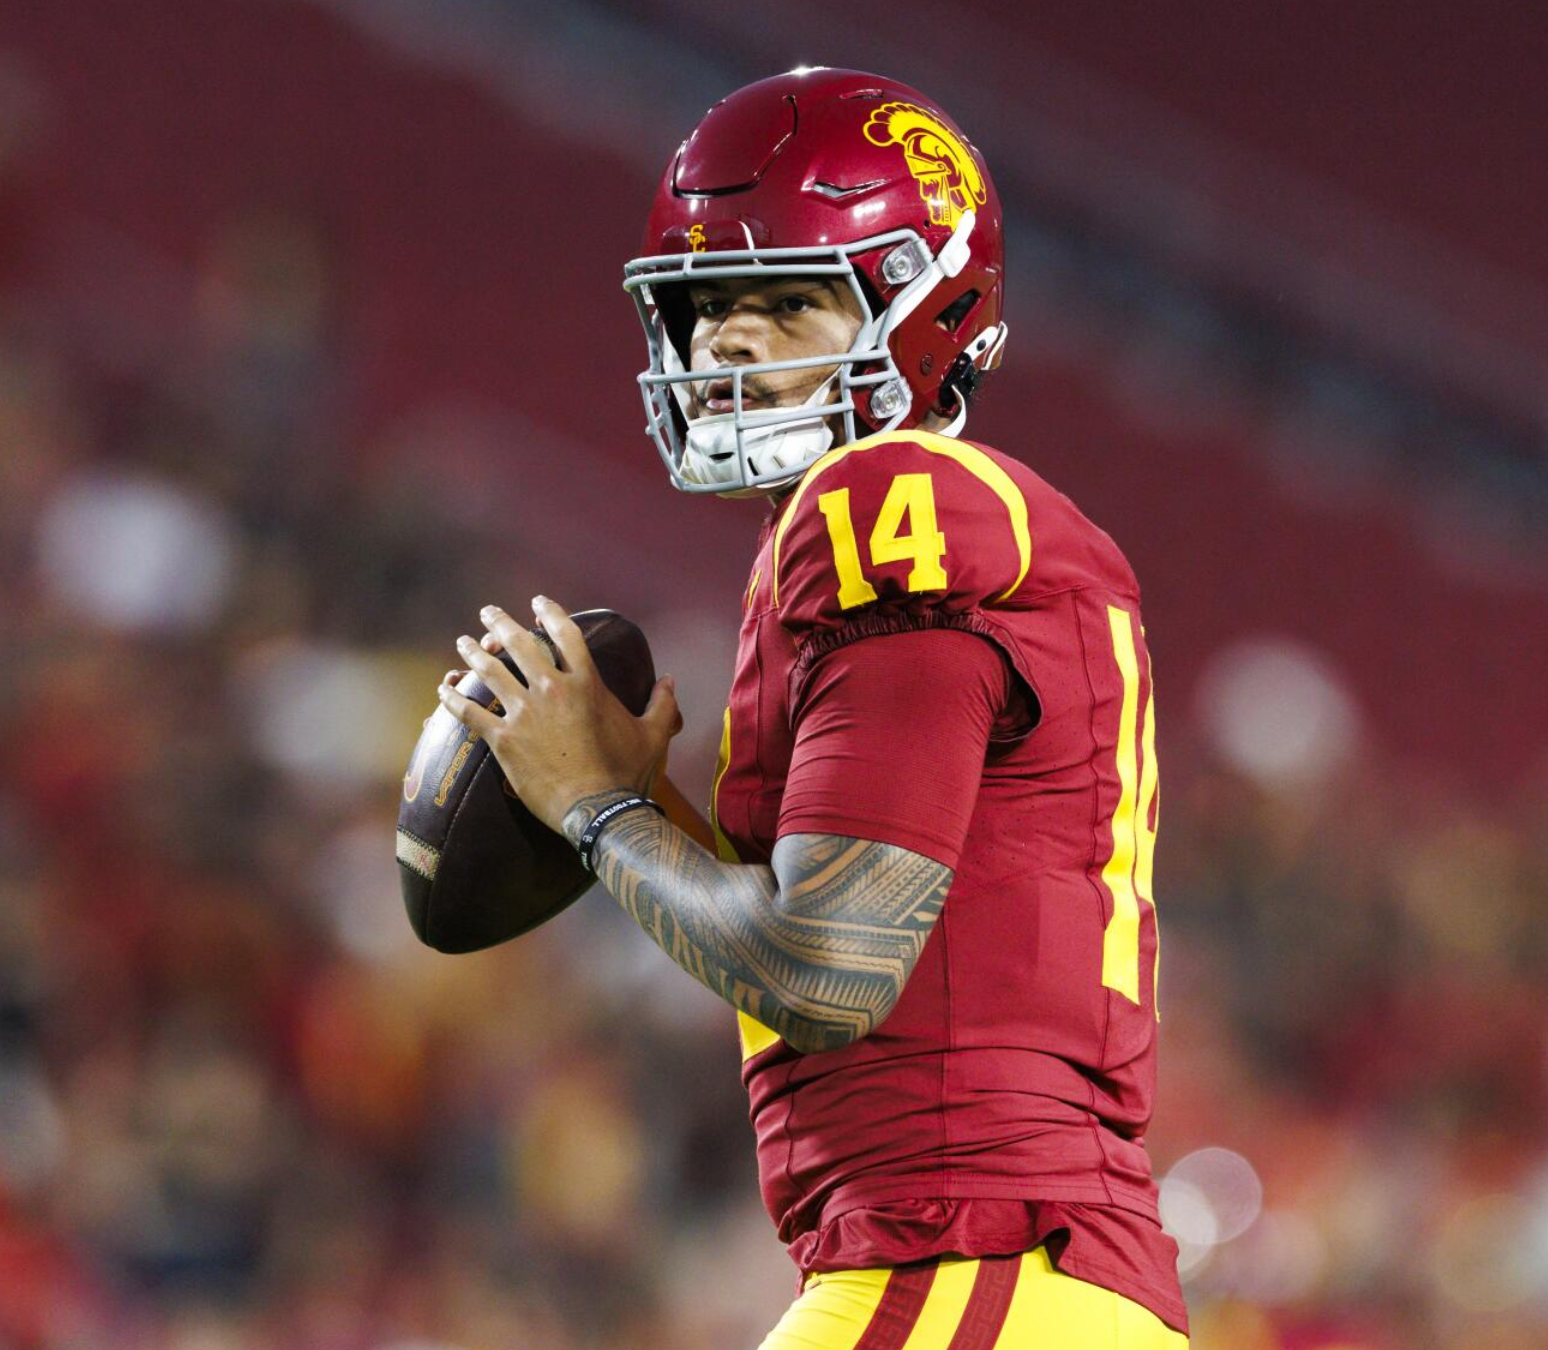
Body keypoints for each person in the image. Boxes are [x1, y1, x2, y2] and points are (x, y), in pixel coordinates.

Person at [437, 68, 1185, 1350]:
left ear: (923, 307)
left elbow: (829, 967)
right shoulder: (883, 536)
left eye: (787, 302)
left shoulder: (893, 502)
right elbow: (857, 934)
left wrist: (598, 809)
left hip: (966, 1256)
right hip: (1001, 1273)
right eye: (709, 307)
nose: (727, 344)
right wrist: (643, 802)